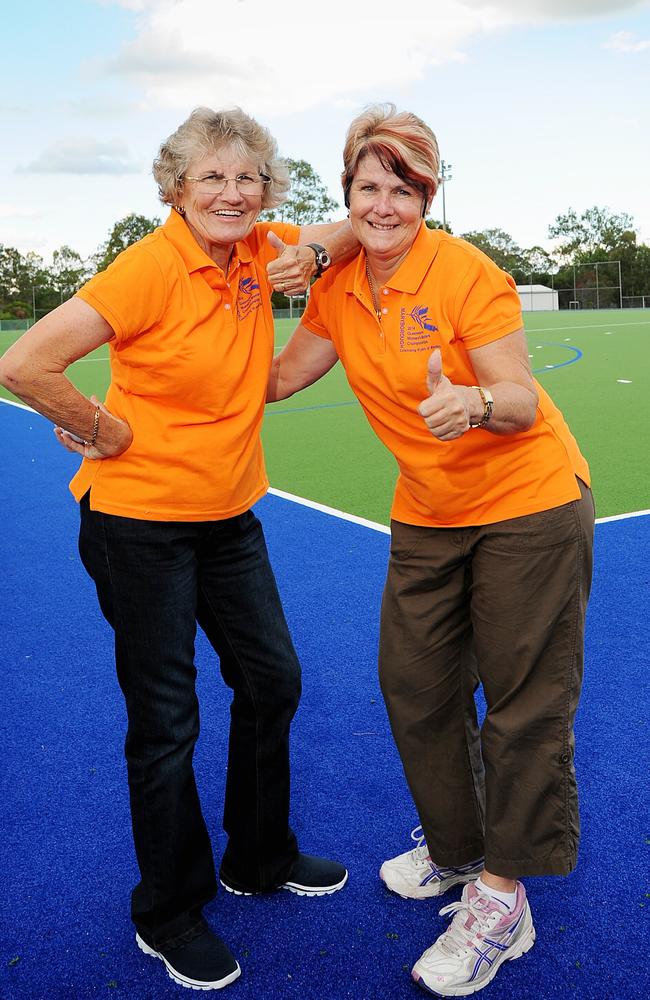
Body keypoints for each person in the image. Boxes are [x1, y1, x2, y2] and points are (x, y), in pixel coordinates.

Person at [0, 106, 360, 992]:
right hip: (139, 525)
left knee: (272, 678)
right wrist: (99, 427)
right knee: (167, 720)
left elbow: (353, 225)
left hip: (229, 514)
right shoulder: (151, 267)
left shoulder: (260, 245)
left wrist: (314, 253)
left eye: (249, 179)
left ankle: (258, 857)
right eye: (212, 178)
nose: (233, 193)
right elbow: (25, 364)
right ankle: (167, 910)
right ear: (176, 190)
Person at [267, 104, 595, 996]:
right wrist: (170, 374)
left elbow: (521, 400)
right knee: (415, 686)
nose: (383, 205)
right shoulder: (336, 277)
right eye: (368, 188)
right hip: (430, 510)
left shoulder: (466, 275)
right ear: (349, 194)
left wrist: (476, 406)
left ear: (430, 192)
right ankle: (456, 851)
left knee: (523, 705)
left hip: (527, 503)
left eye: (403, 189)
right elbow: (283, 375)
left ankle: (502, 896)